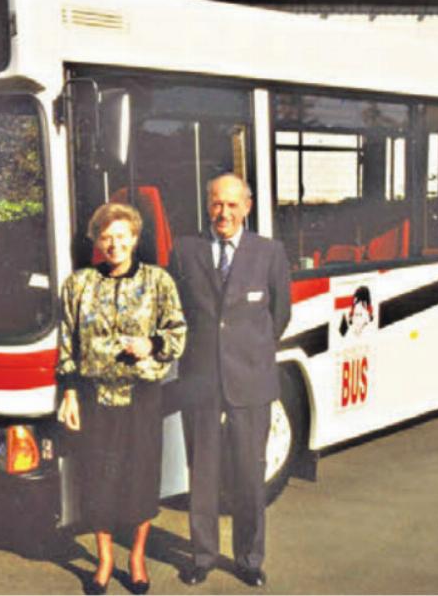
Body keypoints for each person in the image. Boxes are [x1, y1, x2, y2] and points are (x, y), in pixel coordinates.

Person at [56, 202, 187, 595]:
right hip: (95, 397)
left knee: (140, 478)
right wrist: (70, 393)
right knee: (98, 478)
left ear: (134, 238)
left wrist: (152, 343)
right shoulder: (77, 285)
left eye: (121, 236)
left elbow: (178, 333)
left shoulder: (158, 281)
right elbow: (67, 343)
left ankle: (136, 556)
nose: (114, 244)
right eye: (106, 237)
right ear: (97, 242)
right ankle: (105, 558)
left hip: (142, 396)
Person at [168, 173, 292, 588]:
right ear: (208, 205)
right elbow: (177, 310)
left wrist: (249, 352)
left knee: (249, 474)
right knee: (201, 473)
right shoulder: (186, 251)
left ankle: (249, 558)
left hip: (250, 380)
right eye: (217, 204)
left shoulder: (269, 252)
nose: (224, 213)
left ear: (248, 207)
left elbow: (280, 314)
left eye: (233, 205)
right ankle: (202, 555)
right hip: (200, 380)